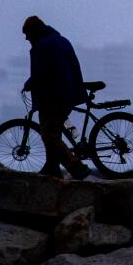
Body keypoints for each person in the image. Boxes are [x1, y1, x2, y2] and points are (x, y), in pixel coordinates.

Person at [21, 16, 91, 179]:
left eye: (27, 34)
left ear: (34, 31)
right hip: (67, 93)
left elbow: (42, 72)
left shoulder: (43, 46)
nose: (26, 38)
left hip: (54, 96)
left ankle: (76, 166)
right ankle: (52, 167)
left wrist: (30, 83)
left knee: (49, 134)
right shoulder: (59, 40)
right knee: (54, 131)